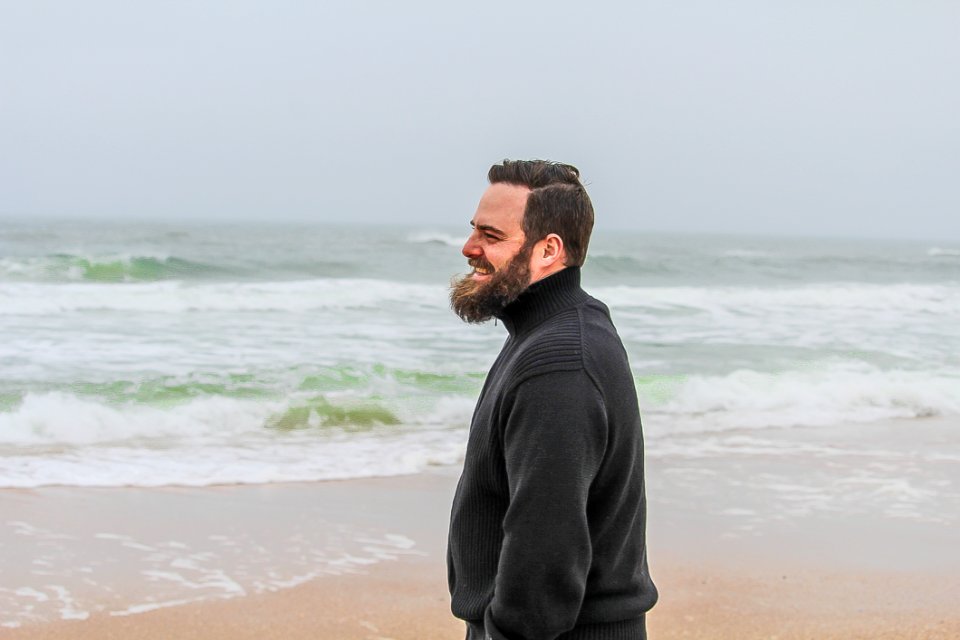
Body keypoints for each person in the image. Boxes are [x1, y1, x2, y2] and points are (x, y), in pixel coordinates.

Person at [447, 160, 658, 640]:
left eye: (491, 236)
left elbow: (544, 554)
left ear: (548, 250)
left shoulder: (557, 363)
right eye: (473, 230)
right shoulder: (556, 332)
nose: (469, 247)